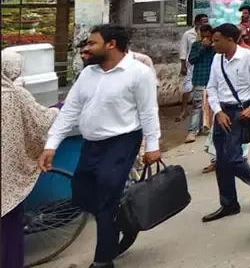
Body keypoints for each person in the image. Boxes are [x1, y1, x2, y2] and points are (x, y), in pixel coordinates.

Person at [40, 25, 160, 266]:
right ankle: (126, 219)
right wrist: (51, 144)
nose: (86, 48)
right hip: (92, 143)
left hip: (122, 142)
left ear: (111, 44)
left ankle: (103, 260)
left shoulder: (139, 73)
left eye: (92, 43)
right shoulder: (88, 74)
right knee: (82, 195)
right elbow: (71, 109)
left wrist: (152, 145)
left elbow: (148, 111)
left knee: (106, 200)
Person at [202, 23, 250, 223]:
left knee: (233, 158)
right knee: (221, 162)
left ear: (230, 40)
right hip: (222, 113)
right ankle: (229, 204)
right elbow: (212, 87)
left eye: (217, 40)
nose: (212, 43)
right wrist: (217, 112)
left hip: (240, 112)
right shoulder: (217, 59)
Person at [2, 51, 59, 268]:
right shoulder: (17, 94)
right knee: (10, 224)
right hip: (8, 175)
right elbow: (41, 121)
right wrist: (60, 109)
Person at [178, 13, 210, 129]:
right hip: (191, 65)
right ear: (197, 22)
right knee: (187, 88)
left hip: (204, 70)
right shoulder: (189, 34)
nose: (205, 23)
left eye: (206, 21)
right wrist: (183, 65)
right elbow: (183, 50)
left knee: (202, 97)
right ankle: (183, 110)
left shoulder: (210, 37)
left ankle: (203, 124)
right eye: (203, 21)